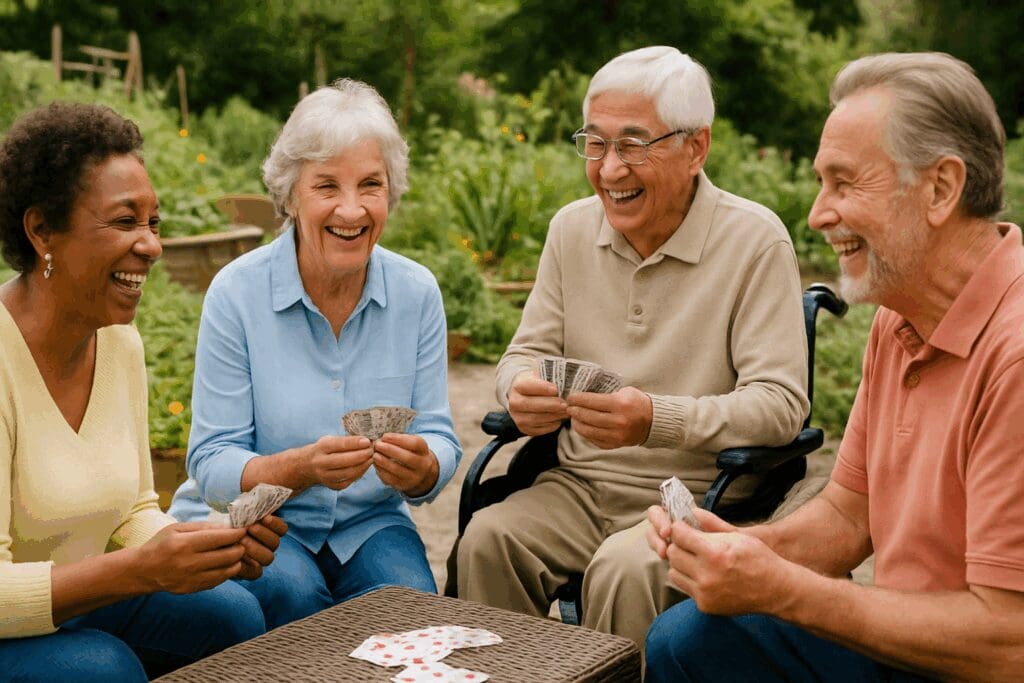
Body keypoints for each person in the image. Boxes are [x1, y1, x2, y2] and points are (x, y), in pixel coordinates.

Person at [645, 52, 1024, 682]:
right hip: (913, 648)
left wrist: (782, 589)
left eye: (844, 183)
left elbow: (1009, 642)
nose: (819, 213)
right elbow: (851, 517)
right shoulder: (901, 315)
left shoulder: (1014, 355)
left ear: (940, 188)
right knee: (687, 639)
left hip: (979, 660)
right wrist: (742, 552)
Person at [455, 46, 809, 654]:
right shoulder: (571, 229)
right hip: (577, 487)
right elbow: (523, 354)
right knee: (487, 539)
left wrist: (654, 419)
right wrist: (519, 391)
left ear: (696, 147)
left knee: (626, 569)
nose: (610, 170)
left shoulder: (755, 240)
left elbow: (780, 407)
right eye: (595, 144)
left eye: (633, 145)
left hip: (697, 493)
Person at [0, 102, 286, 682]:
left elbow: (133, 510)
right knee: (105, 669)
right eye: (125, 221)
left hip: (79, 600)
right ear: (41, 230)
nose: (151, 246)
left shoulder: (119, 343)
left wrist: (204, 548)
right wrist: (141, 571)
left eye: (153, 223)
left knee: (231, 614)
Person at [168, 79, 462, 630]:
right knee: (294, 605)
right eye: (327, 186)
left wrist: (424, 469)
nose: (351, 210)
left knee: (411, 612)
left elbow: (442, 438)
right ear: (289, 196)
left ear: (390, 193)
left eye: (370, 185)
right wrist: (300, 468)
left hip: (372, 522)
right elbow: (210, 463)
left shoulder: (417, 292)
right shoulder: (236, 293)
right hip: (262, 521)